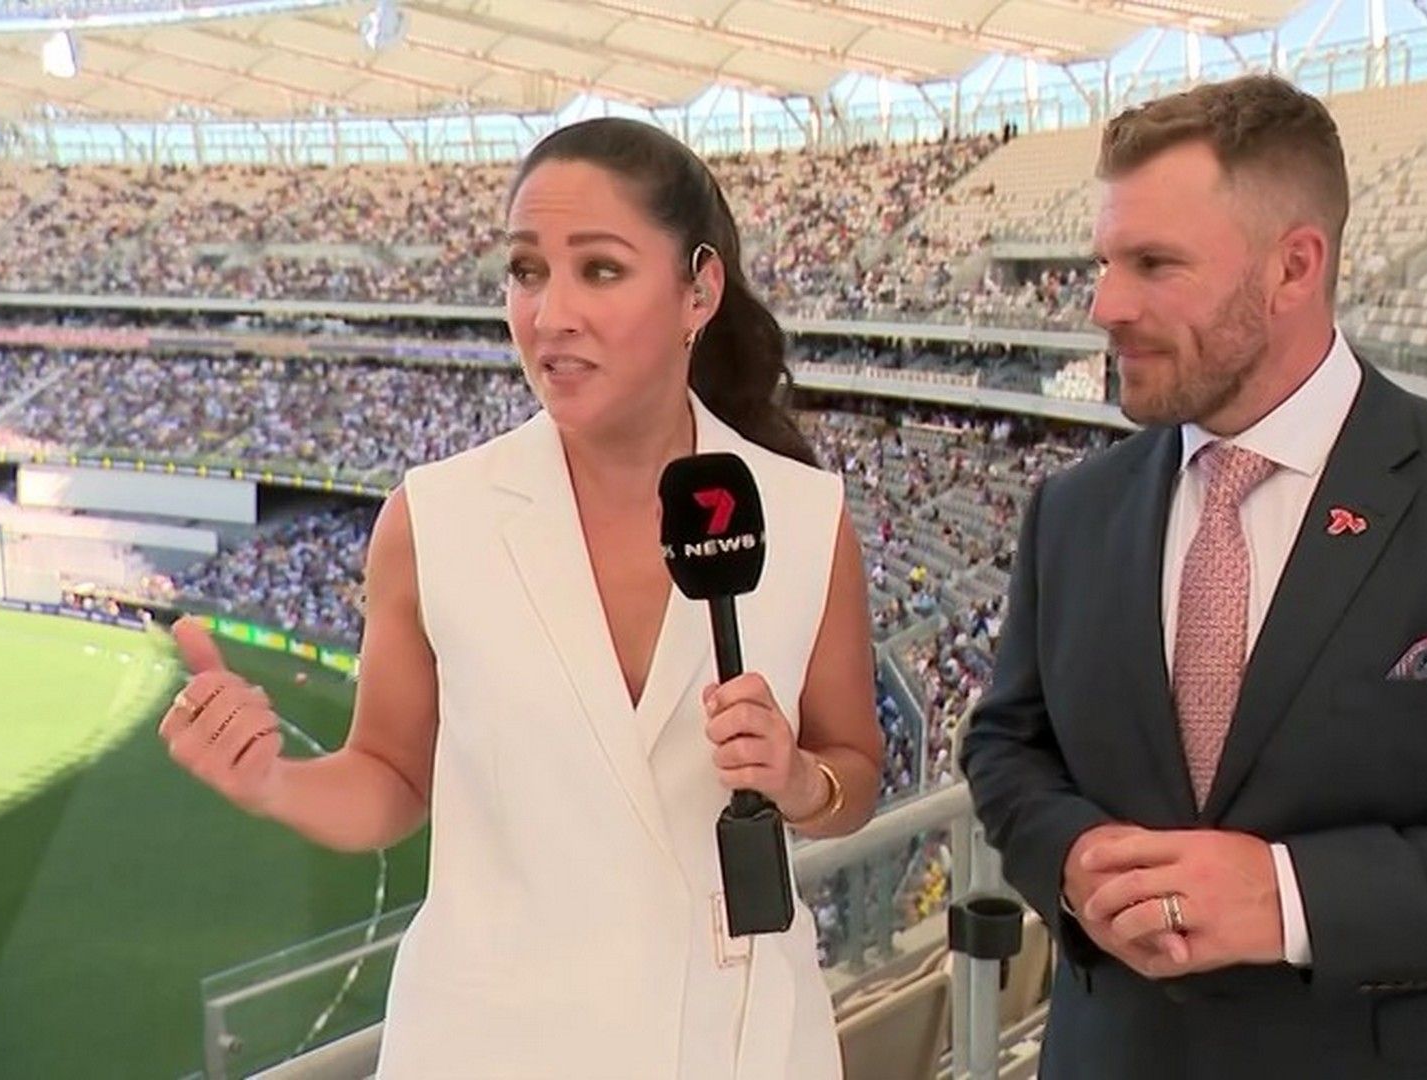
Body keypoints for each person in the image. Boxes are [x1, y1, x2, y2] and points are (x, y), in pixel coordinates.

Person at [959, 75, 1427, 1079]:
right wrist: (1074, 859)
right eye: (1105, 262)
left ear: (1294, 266)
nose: (1105, 306)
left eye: (1154, 264)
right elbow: (1008, 745)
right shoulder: (1074, 511)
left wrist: (1292, 899)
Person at [158, 117, 884, 1079]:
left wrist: (798, 781)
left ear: (699, 290)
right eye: (526, 270)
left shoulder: (803, 513)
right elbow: (390, 777)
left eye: (601, 269)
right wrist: (273, 781)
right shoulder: (433, 518)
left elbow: (854, 768)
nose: (551, 313)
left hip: (739, 1042)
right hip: (493, 1046)